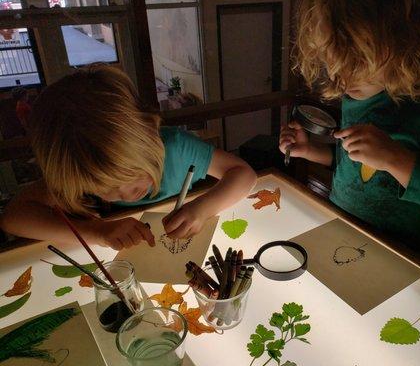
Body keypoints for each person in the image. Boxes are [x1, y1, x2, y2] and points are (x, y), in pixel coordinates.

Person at [279, 0, 420, 266]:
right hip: (343, 237)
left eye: (357, 61)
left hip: (407, 257)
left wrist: (394, 158)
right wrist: (310, 151)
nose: (342, 77)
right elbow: (355, 166)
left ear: (404, 39)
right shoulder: (354, 93)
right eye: (333, 59)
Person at [0, 65, 257, 250]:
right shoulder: (79, 167)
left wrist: (202, 209)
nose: (126, 193)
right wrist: (96, 232)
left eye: (133, 176)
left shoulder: (176, 148)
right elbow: (13, 218)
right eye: (106, 189)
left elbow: (244, 174)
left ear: (149, 139)